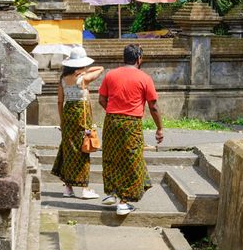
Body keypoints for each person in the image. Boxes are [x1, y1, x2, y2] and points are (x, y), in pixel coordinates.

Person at [98, 44, 163, 216]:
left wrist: (114, 112)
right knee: (131, 160)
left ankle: (112, 192)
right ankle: (124, 201)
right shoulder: (144, 78)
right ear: (139, 59)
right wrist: (159, 128)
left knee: (111, 156)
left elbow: (101, 99)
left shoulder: (110, 75)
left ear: (124, 57)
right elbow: (153, 106)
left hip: (111, 121)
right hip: (132, 123)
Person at [52, 45, 105, 199]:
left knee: (69, 149)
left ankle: (68, 188)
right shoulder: (83, 79)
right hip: (82, 116)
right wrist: (84, 71)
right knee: (84, 148)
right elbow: (100, 69)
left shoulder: (63, 79)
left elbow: (59, 101)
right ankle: (84, 188)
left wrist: (62, 121)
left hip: (68, 114)